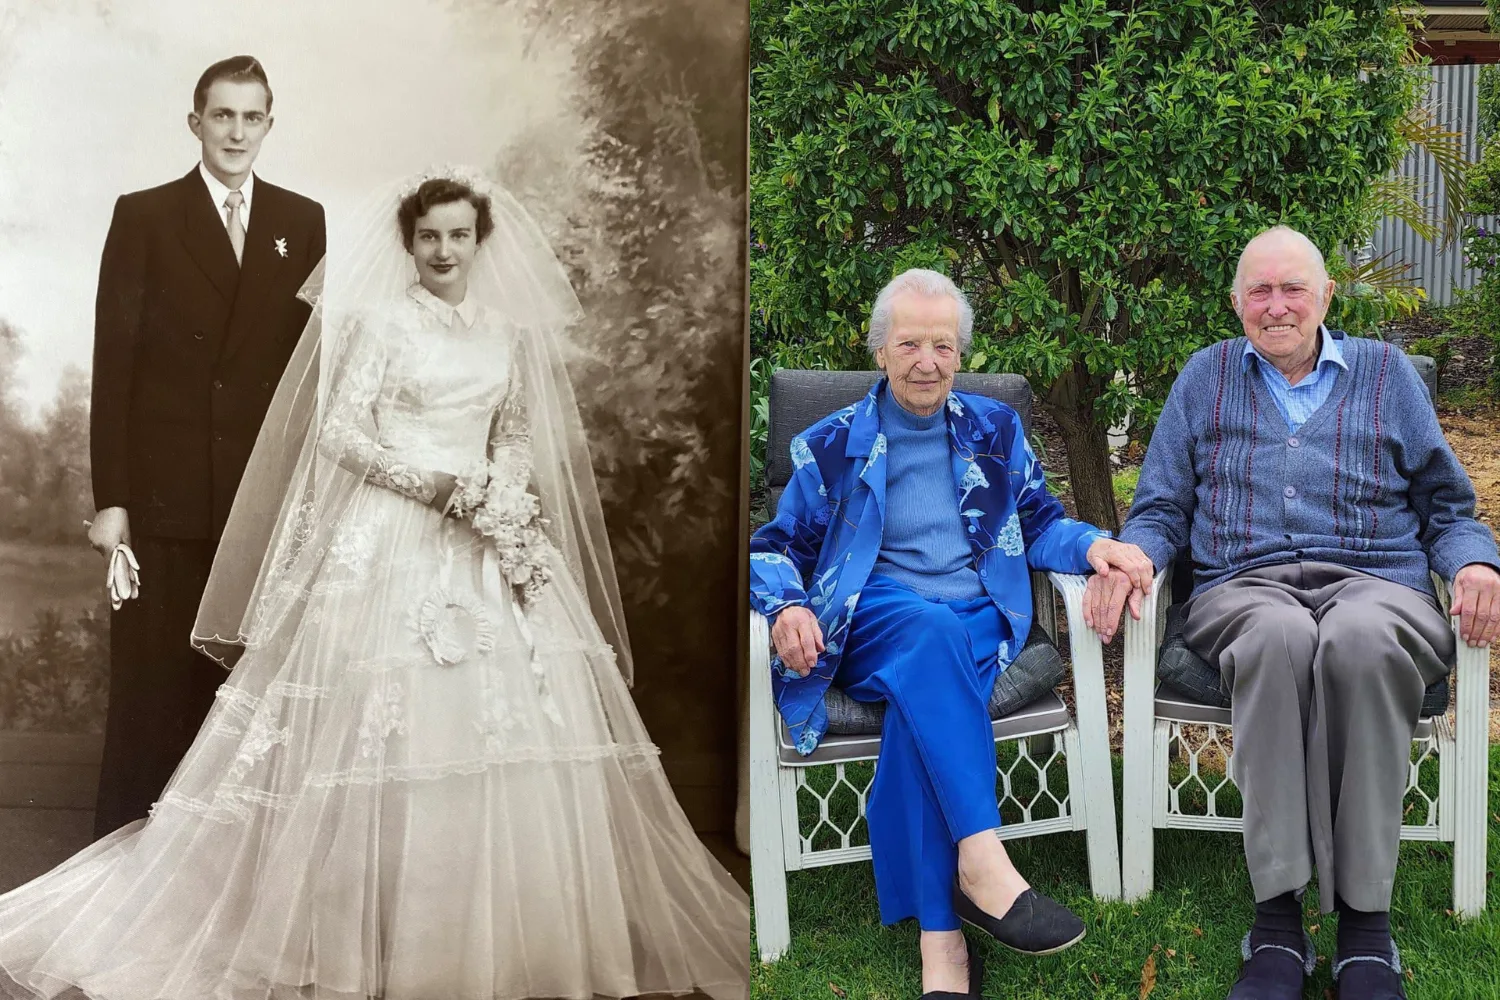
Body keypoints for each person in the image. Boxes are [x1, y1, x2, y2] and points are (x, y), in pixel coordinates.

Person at [0, 168, 749, 1000]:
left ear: (479, 241)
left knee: (504, 718)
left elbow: (513, 434)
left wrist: (498, 497)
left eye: (458, 235)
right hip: (392, 534)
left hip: (486, 532)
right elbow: (341, 433)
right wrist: (431, 485)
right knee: (378, 719)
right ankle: (362, 926)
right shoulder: (385, 326)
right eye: (429, 237)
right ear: (409, 244)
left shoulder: (505, 333)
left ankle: (492, 931)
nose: (443, 251)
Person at [1109, 225, 1500, 1000]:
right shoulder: (1205, 376)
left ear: (1326, 296)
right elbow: (1160, 505)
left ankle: (1365, 927)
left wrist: (1475, 562)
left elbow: (1447, 504)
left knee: (1359, 640)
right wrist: (1135, 556)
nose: (1277, 305)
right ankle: (1278, 922)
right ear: (1236, 303)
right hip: (1243, 587)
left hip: (1377, 583)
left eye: (1293, 289)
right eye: (1260, 290)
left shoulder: (1386, 374)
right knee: (1280, 635)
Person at [749, 268, 1152, 998]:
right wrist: (785, 608)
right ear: (880, 351)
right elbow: (775, 547)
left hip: (977, 620)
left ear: (960, 354)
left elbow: (1040, 520)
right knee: (928, 631)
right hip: (875, 619)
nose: (927, 362)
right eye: (909, 344)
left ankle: (943, 944)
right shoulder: (830, 445)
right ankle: (983, 863)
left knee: (926, 692)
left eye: (943, 345)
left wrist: (1096, 545)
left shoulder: (994, 430)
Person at [85, 55, 326, 838]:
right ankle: (132, 852)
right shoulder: (145, 216)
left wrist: (305, 492)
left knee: (243, 690)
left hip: (260, 495)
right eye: (222, 115)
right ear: (196, 122)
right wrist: (113, 501)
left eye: (252, 117)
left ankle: (224, 859)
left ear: (269, 124)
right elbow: (113, 365)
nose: (236, 132)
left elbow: (309, 372)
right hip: (167, 493)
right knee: (155, 687)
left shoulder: (302, 221)